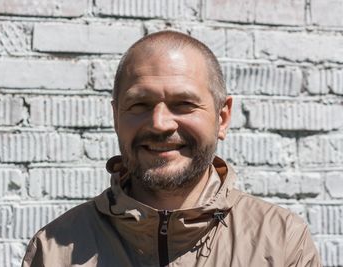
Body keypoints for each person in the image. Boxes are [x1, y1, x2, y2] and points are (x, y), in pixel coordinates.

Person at [22, 31, 321, 267]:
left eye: (184, 105)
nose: (161, 123)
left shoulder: (281, 243)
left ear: (222, 117)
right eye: (140, 104)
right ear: (116, 117)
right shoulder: (55, 250)